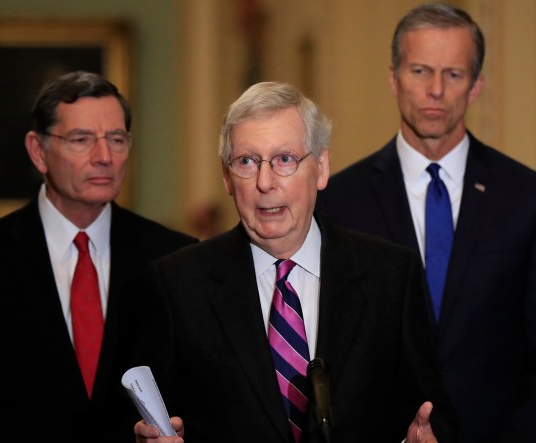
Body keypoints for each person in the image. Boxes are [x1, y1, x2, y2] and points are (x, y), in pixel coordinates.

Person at [132, 81, 457, 443]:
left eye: (285, 159)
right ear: (226, 177)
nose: (265, 182)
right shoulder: (177, 285)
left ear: (320, 168)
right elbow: (153, 423)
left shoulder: (391, 276)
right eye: (246, 162)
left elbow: (431, 414)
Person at [314, 3, 536, 442]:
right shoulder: (340, 200)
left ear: (476, 86)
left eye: (453, 74)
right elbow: (327, 347)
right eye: (420, 71)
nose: (435, 89)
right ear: (393, 78)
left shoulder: (531, 199)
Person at [0, 71, 198, 442]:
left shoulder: (178, 256)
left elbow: (194, 393)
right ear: (38, 151)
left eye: (117, 139)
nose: (105, 157)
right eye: (82, 140)